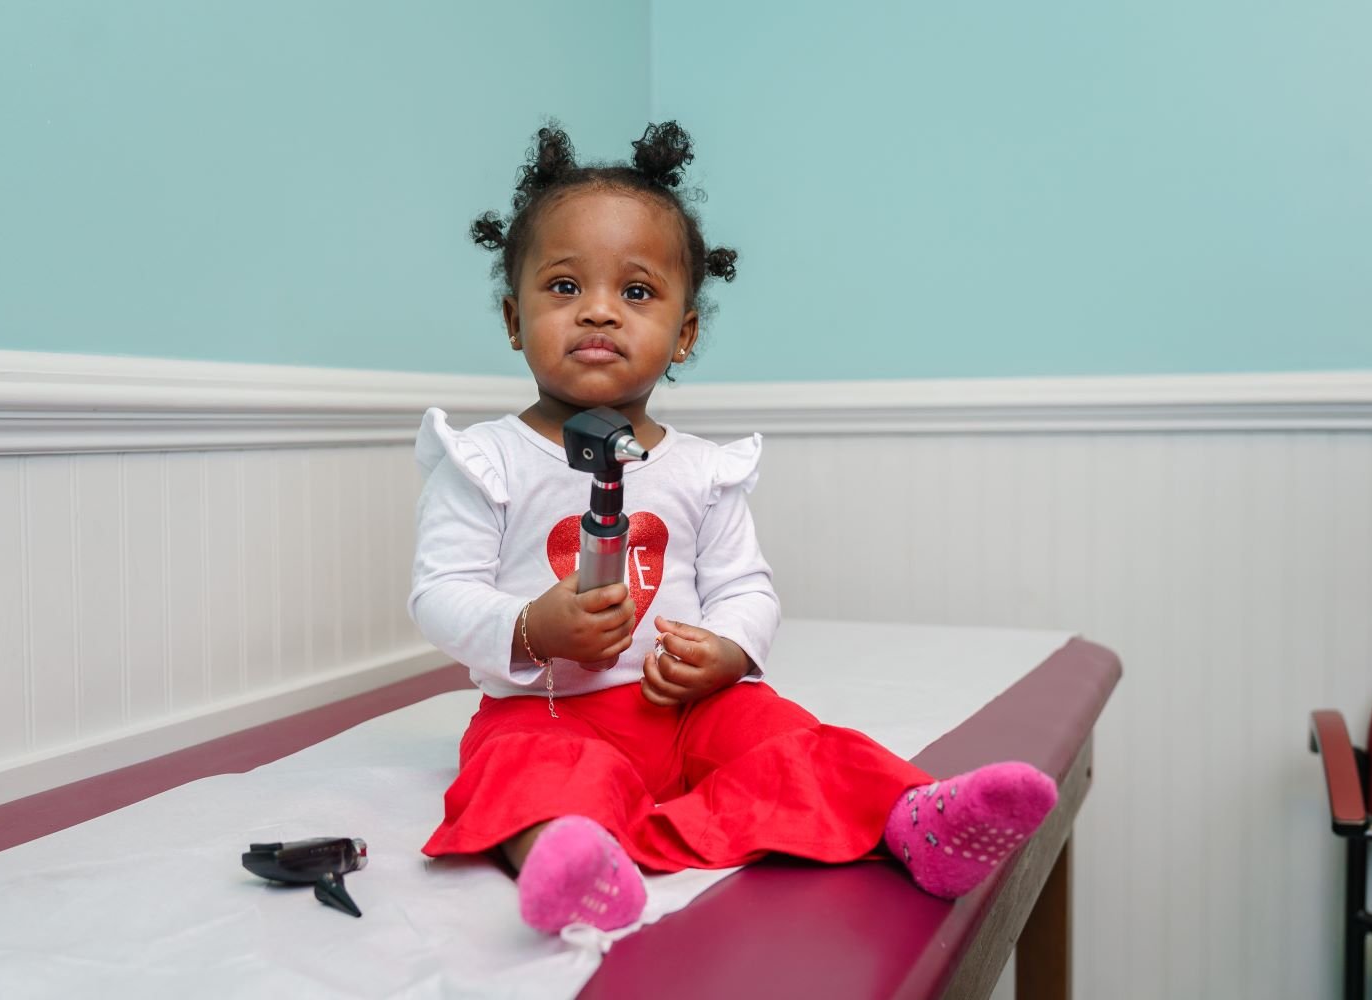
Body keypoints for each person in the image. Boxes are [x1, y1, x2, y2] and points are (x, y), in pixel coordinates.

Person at [410, 121, 1057, 934]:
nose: (600, 313)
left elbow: (746, 585)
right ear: (514, 318)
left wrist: (727, 651)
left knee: (779, 730)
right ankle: (571, 860)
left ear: (683, 334)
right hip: (542, 710)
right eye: (566, 288)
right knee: (527, 772)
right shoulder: (483, 461)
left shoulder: (702, 470)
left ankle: (913, 819)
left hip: (681, 709)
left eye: (636, 292)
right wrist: (530, 626)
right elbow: (438, 594)